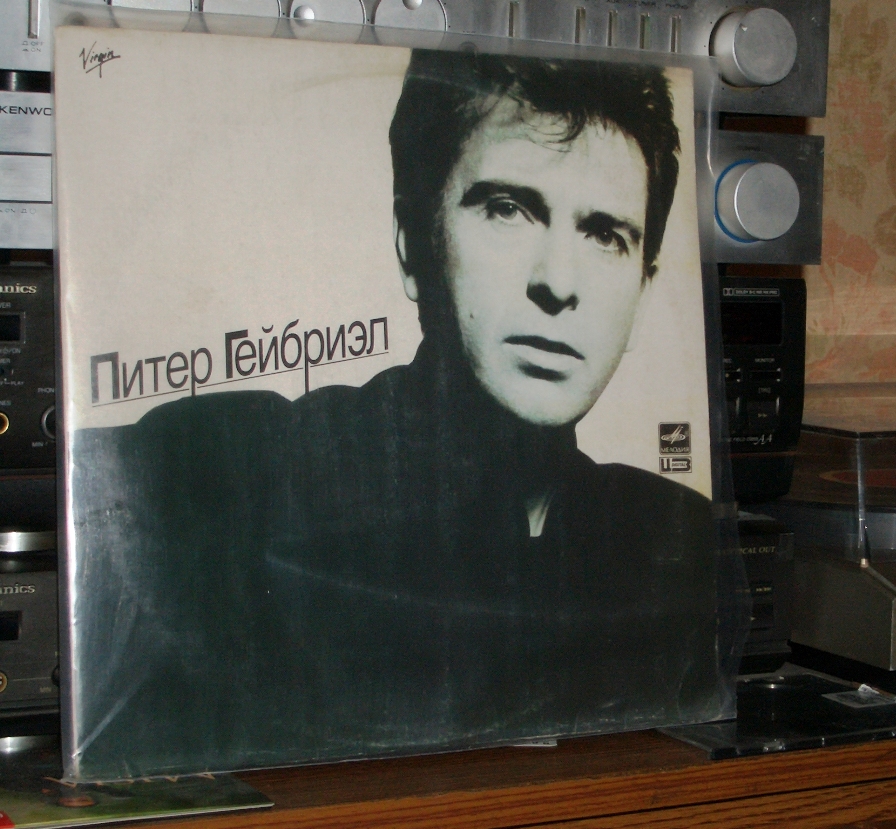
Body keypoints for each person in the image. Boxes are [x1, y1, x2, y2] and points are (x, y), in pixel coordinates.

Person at [66, 50, 726, 780]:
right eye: (508, 209)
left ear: (644, 287)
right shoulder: (238, 474)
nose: (557, 283)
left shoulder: (676, 542)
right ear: (414, 242)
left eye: (605, 235)